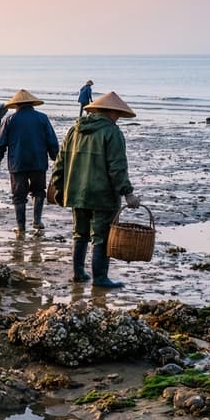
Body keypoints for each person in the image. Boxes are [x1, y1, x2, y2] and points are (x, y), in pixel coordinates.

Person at [48, 91, 142, 288]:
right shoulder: (112, 132)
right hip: (102, 195)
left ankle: (79, 273)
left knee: (79, 233)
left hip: (76, 192)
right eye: (117, 114)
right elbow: (117, 167)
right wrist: (128, 193)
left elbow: (60, 161)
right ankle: (100, 278)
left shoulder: (75, 129)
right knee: (102, 235)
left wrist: (58, 187)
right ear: (110, 112)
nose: (118, 118)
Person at [0, 89, 59, 237]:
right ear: (31, 104)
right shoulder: (42, 118)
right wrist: (55, 157)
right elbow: (52, 140)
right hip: (38, 161)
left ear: (17, 105)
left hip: (17, 163)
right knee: (39, 191)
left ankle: (21, 227)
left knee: (18, 195)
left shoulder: (10, 120)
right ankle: (37, 221)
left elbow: (0, 141)